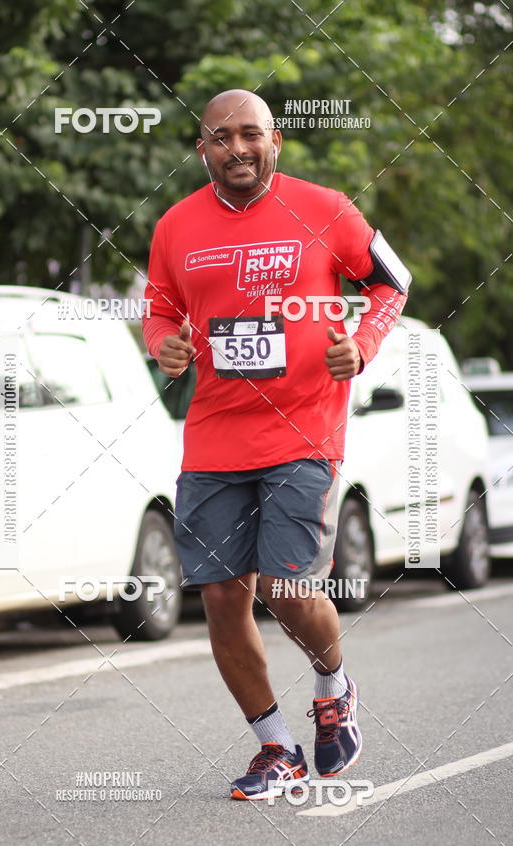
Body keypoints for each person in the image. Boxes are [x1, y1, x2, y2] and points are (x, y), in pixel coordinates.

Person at [142, 89, 411, 801]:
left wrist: (362, 342)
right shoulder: (174, 226)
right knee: (224, 602)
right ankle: (276, 747)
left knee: (289, 590)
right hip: (212, 437)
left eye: (251, 135)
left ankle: (333, 685)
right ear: (202, 149)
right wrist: (162, 344)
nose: (238, 148)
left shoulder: (326, 209)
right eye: (221, 138)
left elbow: (394, 282)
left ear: (276, 140)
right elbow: (161, 305)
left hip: (303, 428)